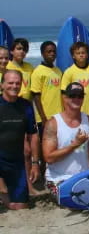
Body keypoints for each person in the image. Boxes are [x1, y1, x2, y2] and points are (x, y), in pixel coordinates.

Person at [42, 82, 89, 196]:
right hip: (58, 179)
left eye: (80, 96)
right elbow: (49, 158)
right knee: (75, 198)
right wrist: (75, 145)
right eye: (72, 96)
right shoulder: (53, 123)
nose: (77, 99)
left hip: (84, 177)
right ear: (65, 98)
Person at [0, 70, 40, 210]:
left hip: (16, 162)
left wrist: (35, 163)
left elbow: (33, 135)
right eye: (10, 83)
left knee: (20, 206)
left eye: (17, 83)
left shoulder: (26, 106)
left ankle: (4, 196)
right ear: (2, 85)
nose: (14, 86)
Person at [61, 42, 89, 129]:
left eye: (83, 53)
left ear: (87, 55)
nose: (81, 55)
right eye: (78, 53)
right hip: (77, 115)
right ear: (73, 56)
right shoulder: (69, 72)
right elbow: (64, 95)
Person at [30, 41, 62, 132]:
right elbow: (36, 97)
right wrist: (43, 118)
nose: (52, 53)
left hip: (60, 116)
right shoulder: (37, 72)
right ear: (42, 53)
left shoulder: (58, 71)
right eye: (49, 51)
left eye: (54, 51)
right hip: (45, 117)